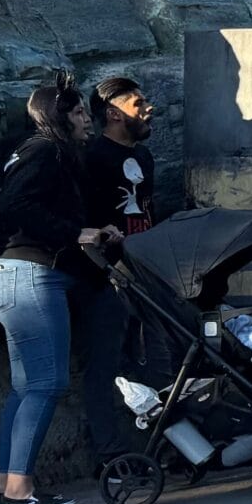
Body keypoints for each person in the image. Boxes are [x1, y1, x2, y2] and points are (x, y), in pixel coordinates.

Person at [0, 78, 123, 504]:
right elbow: (16, 207)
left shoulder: (31, 151)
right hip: (29, 276)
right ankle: (19, 493)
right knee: (46, 384)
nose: (88, 121)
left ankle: (3, 484)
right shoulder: (46, 150)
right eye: (80, 113)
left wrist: (94, 231)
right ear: (60, 116)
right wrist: (74, 232)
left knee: (26, 387)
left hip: (11, 276)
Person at [75, 74, 161, 463]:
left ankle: (166, 443)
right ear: (113, 113)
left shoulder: (143, 156)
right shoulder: (93, 158)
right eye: (137, 103)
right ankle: (109, 453)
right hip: (104, 274)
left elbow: (147, 208)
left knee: (158, 354)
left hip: (145, 269)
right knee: (106, 360)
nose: (147, 109)